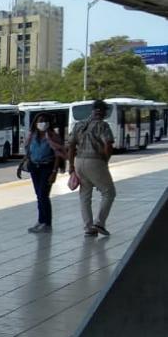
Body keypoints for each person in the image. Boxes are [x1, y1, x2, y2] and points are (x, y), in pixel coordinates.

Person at [67, 98, 117, 237]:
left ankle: (88, 228)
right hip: (95, 161)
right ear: (104, 112)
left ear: (93, 110)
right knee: (109, 192)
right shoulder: (103, 126)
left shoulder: (79, 125)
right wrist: (105, 161)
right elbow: (108, 145)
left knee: (84, 195)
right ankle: (99, 223)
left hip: (79, 161)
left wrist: (71, 165)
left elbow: (70, 146)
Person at [22, 116, 65, 233]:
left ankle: (46, 222)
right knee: (39, 195)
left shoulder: (53, 136)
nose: (42, 123)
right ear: (35, 123)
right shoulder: (32, 136)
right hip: (35, 167)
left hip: (47, 167)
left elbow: (58, 154)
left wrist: (54, 172)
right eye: (40, 121)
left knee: (43, 194)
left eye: (45, 121)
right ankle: (41, 221)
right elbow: (28, 151)